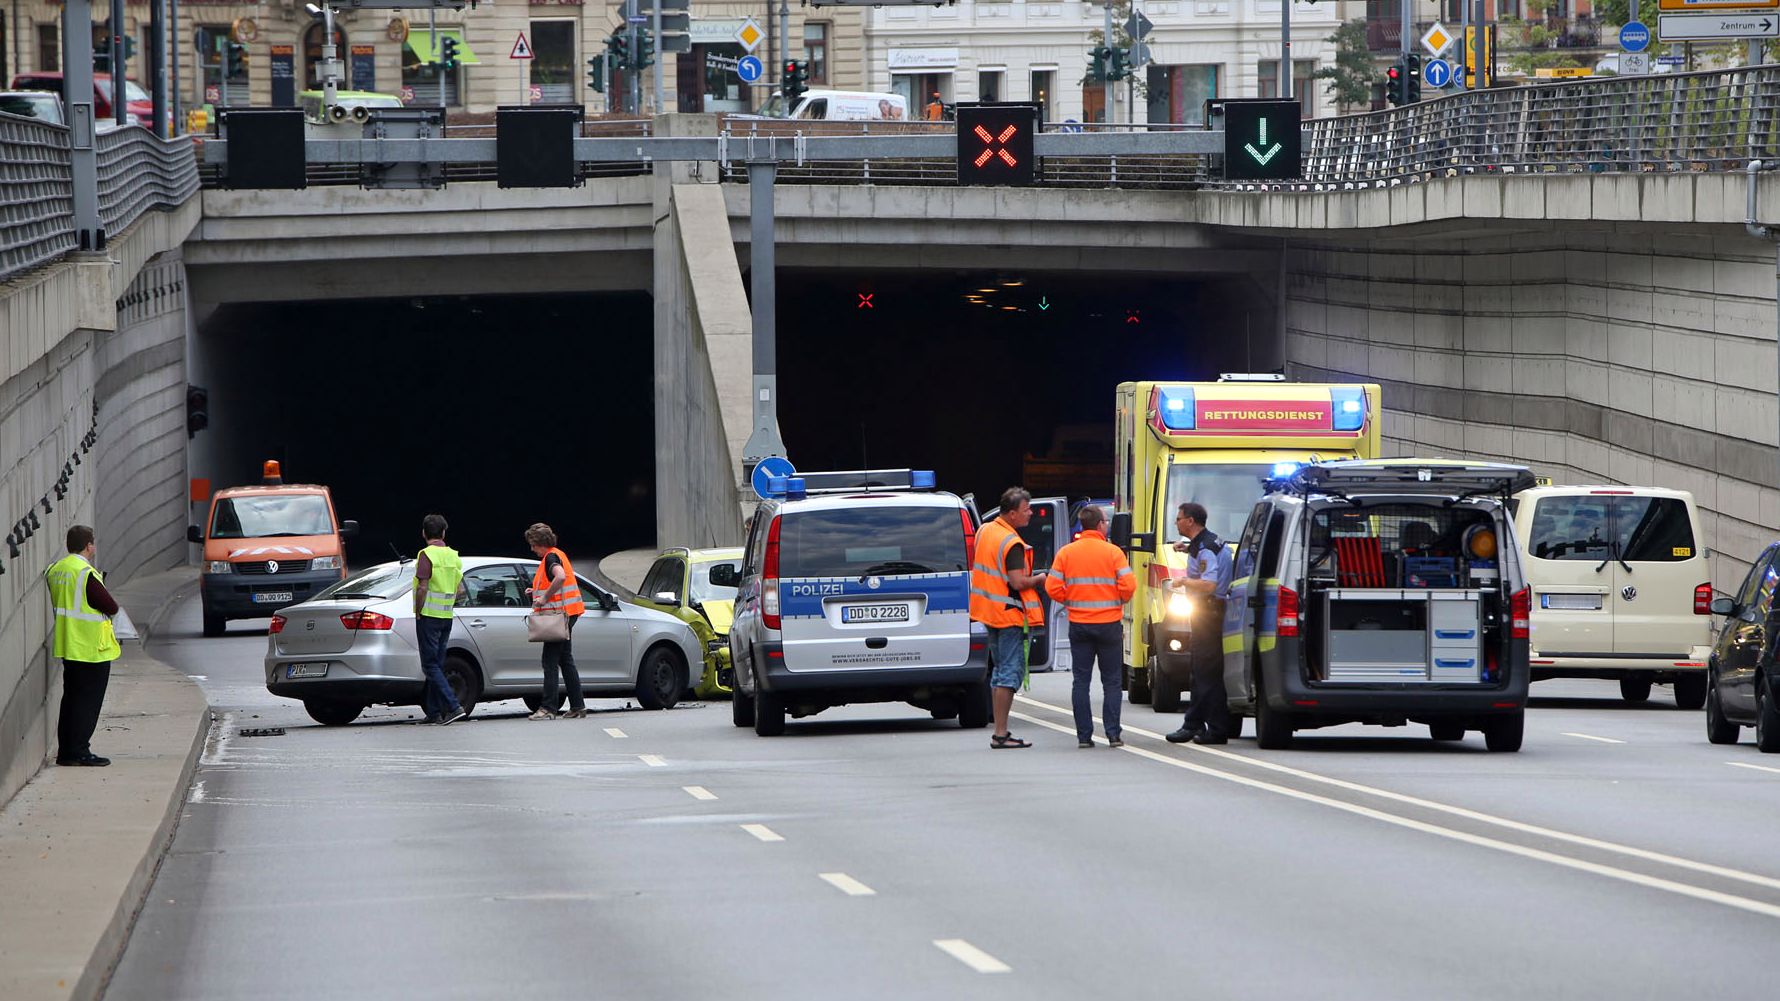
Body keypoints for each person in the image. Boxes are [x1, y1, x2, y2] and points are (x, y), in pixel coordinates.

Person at [1045, 504, 1136, 748]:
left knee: (1081, 681)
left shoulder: (1066, 553)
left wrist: (1072, 600)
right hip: (1108, 625)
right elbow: (1129, 585)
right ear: (1099, 525)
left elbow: (1051, 587)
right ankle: (1113, 733)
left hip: (1080, 624)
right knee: (1112, 681)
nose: (1107, 525)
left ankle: (1084, 736)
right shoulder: (1114, 553)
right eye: (1105, 522)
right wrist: (1118, 600)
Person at [969, 487, 1046, 748]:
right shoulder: (1012, 543)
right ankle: (1001, 733)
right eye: (1027, 509)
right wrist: (1040, 578)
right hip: (1010, 614)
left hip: (989, 612)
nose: (1031, 513)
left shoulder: (985, 531)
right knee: (1009, 675)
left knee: (999, 671)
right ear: (1012, 514)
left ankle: (1000, 731)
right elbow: (1017, 581)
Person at [46, 525, 122, 766]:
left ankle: (67, 752)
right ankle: (81, 750)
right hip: (91, 648)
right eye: (93, 543)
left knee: (70, 700)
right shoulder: (84, 572)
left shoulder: (56, 569)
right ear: (89, 546)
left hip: (69, 644)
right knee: (87, 704)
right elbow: (109, 606)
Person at [1165, 502, 1234, 745]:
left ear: (1191, 521)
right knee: (1209, 673)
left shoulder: (1205, 549)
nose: (1177, 522)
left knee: (1202, 672)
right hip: (1212, 611)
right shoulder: (1206, 543)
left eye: (1179, 518)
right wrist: (1187, 549)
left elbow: (1209, 584)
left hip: (1208, 610)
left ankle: (1192, 725)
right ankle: (1216, 728)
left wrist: (1184, 582)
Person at [525, 523, 588, 720]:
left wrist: (543, 598)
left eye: (533, 545)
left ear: (540, 543)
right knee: (565, 660)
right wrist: (535, 592)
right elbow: (556, 583)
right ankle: (578, 706)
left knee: (549, 661)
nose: (532, 548)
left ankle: (548, 708)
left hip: (560, 616)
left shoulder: (550, 557)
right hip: (569, 612)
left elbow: (559, 578)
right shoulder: (557, 554)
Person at [413, 514, 467, 725]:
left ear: (424, 533)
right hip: (446, 616)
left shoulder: (426, 554)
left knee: (430, 666)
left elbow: (423, 587)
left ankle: (454, 707)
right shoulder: (453, 556)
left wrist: (418, 611)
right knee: (437, 664)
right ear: (444, 533)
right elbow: (461, 591)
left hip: (428, 617)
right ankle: (434, 712)